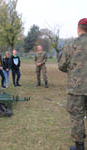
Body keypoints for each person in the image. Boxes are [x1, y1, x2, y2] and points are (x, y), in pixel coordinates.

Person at [57, 18, 87, 150]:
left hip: (77, 88)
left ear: (78, 28)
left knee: (77, 116)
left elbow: (62, 66)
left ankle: (79, 146)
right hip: (78, 88)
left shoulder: (70, 45)